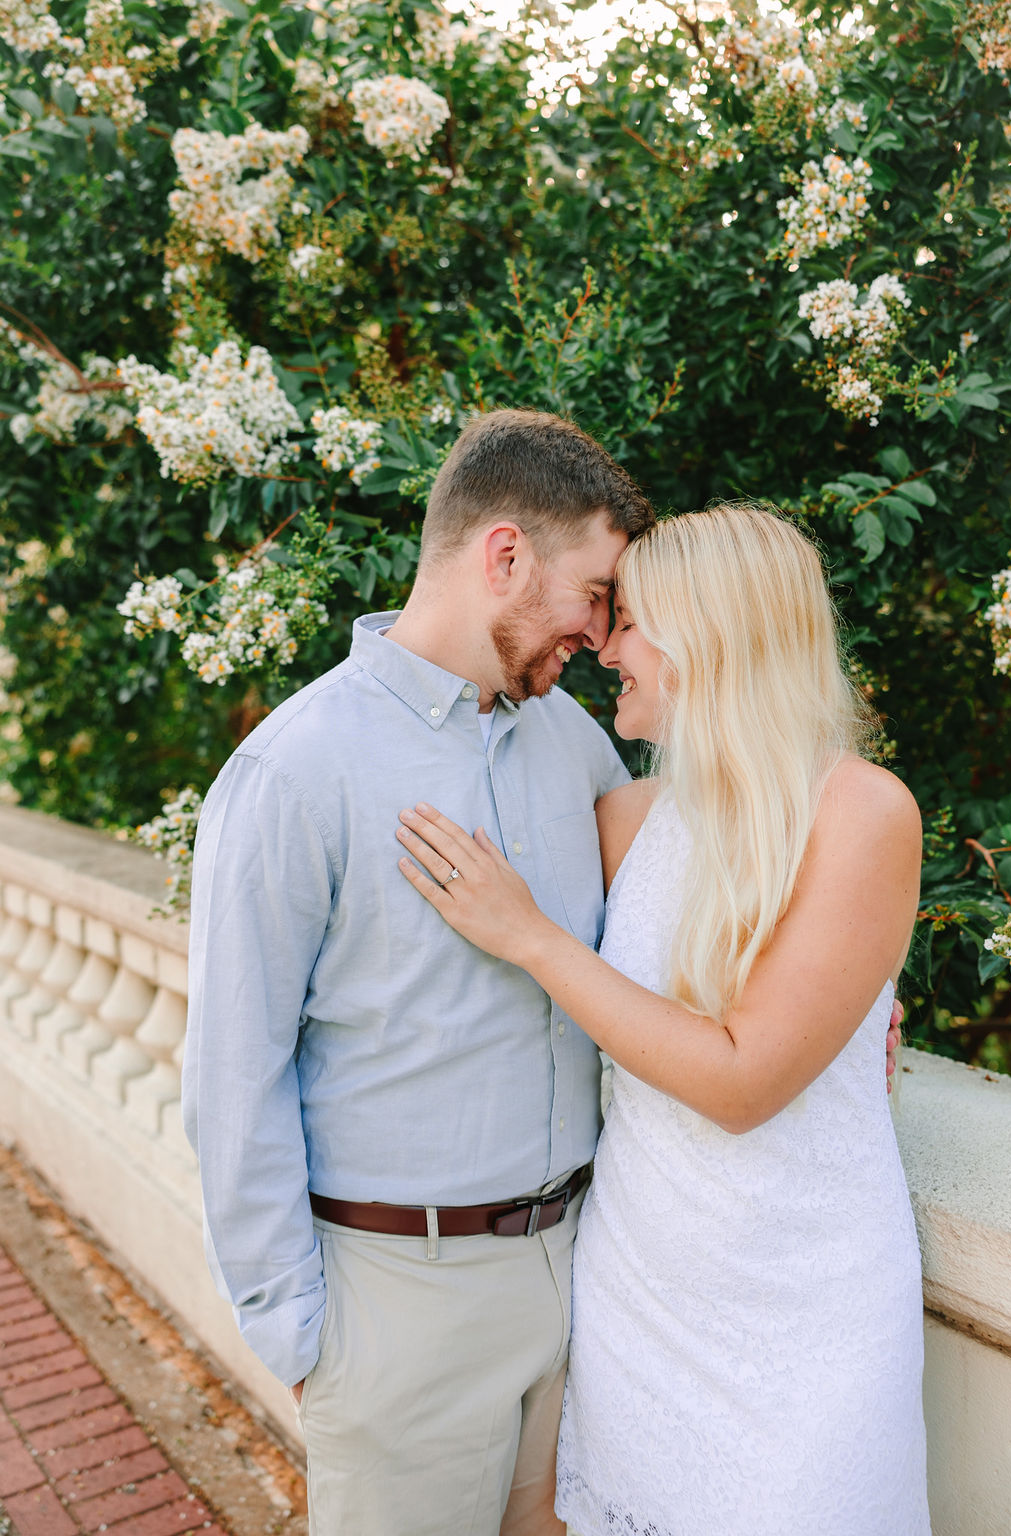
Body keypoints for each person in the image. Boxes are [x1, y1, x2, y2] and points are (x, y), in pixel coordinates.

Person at [396, 503, 931, 1536]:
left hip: (806, 1309)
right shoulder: (623, 821)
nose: (605, 646)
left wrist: (535, 939)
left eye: (632, 620)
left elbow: (741, 1082)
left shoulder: (864, 812)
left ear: (711, 636)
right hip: (640, 1286)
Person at [182, 407, 658, 1536]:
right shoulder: (294, 770)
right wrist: (303, 1334)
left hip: (580, 1273)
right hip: (398, 1301)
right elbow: (231, 1075)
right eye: (593, 593)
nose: (599, 636)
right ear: (505, 556)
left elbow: (703, 878)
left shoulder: (573, 745)